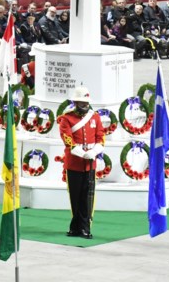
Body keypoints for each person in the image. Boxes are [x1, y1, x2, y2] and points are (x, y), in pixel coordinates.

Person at [58, 85, 104, 239]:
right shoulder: (67, 118)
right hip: (74, 163)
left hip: (90, 163)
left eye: (86, 102)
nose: (85, 105)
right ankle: (75, 227)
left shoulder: (95, 117)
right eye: (82, 102)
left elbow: (101, 137)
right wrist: (81, 153)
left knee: (87, 196)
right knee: (75, 197)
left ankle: (85, 227)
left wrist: (94, 151)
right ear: (76, 102)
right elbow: (67, 139)